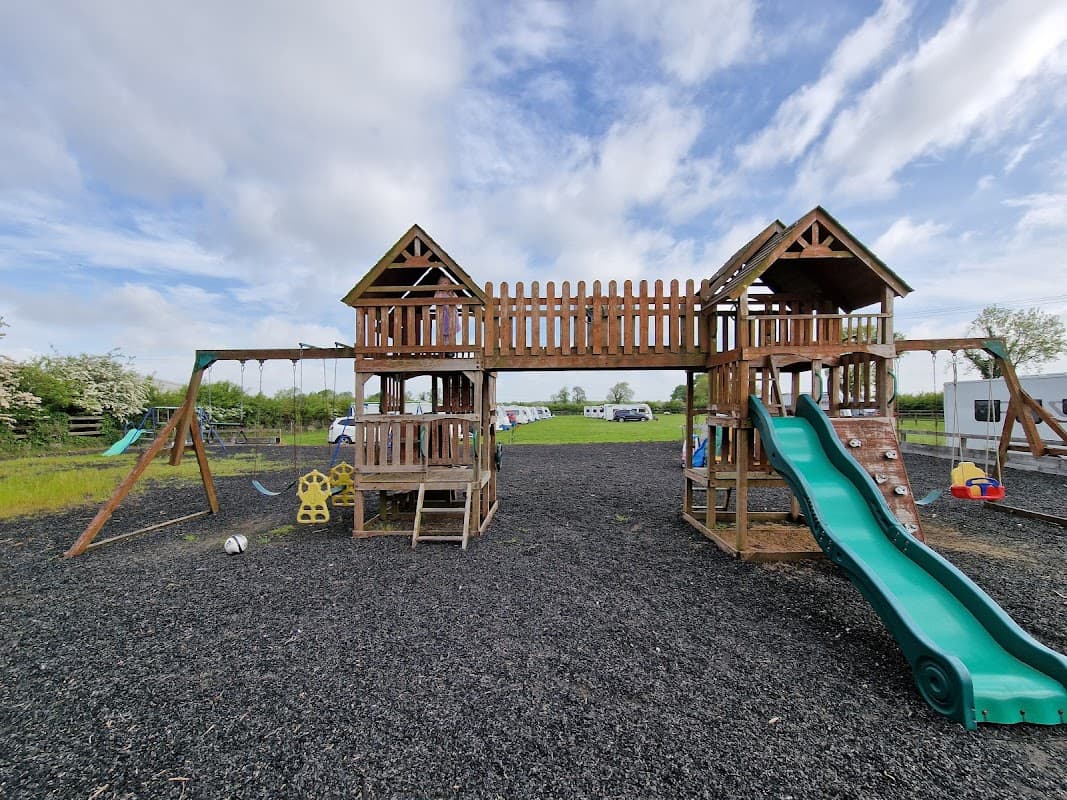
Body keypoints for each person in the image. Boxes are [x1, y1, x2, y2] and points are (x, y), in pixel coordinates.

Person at [434, 275, 460, 349]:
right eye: (442, 283)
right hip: (443, 316)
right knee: (443, 335)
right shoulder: (438, 293)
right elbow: (436, 301)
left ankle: (451, 349)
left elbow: (458, 304)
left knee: (451, 333)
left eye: (446, 283)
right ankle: (444, 349)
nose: (444, 284)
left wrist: (451, 299)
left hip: (452, 316)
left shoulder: (452, 294)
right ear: (439, 284)